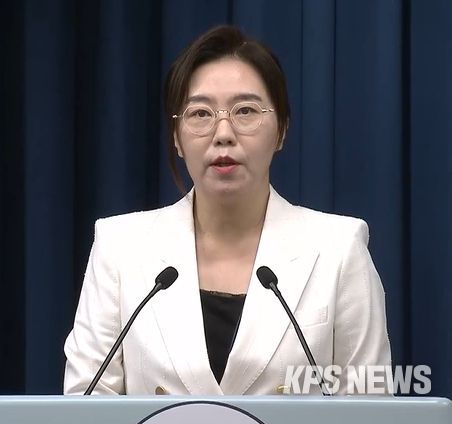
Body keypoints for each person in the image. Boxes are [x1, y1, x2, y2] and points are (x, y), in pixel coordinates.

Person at [64, 25, 391, 395]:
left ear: (282, 129)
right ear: (176, 138)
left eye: (245, 111)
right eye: (200, 114)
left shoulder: (338, 250)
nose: (223, 133)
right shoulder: (120, 248)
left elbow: (372, 407)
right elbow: (85, 407)